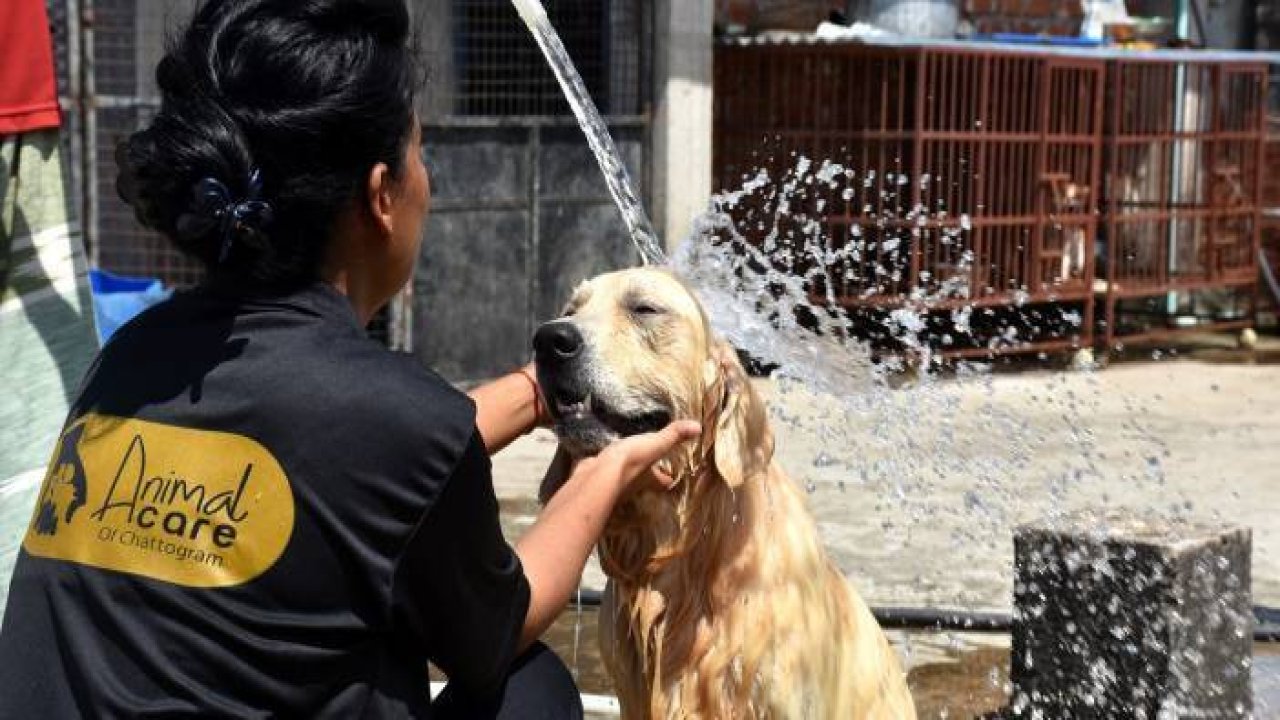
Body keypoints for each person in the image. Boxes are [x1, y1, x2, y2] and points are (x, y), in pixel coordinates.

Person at [0, 0, 699, 717]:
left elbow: (356, 456)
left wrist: (537, 390)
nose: (427, 180)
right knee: (530, 691)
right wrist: (607, 470)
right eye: (420, 155)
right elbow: (499, 625)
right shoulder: (392, 415)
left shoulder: (134, 356)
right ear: (381, 195)